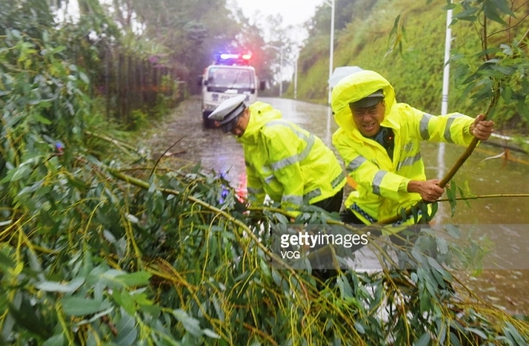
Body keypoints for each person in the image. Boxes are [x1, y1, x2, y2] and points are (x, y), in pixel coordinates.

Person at [330, 69, 494, 226]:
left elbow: (437, 126)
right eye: (359, 112)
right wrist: (416, 186)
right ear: (350, 111)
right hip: (367, 209)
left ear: (384, 104)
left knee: (421, 254)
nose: (366, 118)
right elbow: (368, 176)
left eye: (372, 110)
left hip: (409, 209)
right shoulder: (343, 138)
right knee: (329, 247)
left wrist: (469, 128)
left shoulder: (405, 117)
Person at [208, 95, 346, 217]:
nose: (237, 132)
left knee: (310, 242)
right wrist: (256, 212)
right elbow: (255, 184)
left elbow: (292, 180)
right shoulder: (249, 142)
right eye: (232, 130)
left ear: (246, 112)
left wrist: (292, 215)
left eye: (238, 125)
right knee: (282, 238)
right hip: (302, 190)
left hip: (323, 187)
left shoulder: (274, 134)